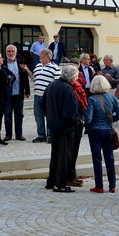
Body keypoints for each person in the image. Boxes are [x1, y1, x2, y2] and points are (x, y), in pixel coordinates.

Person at [43, 64, 84, 193]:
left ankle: (51, 181)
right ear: (72, 77)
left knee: (55, 154)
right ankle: (60, 184)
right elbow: (70, 113)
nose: (76, 79)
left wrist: (50, 116)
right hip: (65, 127)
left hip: (53, 125)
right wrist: (78, 121)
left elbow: (42, 104)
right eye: (76, 77)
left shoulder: (52, 85)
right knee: (64, 156)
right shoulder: (68, 89)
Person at [84, 74, 119, 193]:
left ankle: (99, 186)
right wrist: (111, 119)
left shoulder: (92, 99)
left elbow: (89, 119)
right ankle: (112, 185)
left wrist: (85, 123)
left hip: (95, 130)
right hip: (108, 130)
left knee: (97, 158)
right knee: (109, 158)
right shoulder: (112, 98)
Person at [31, 49, 60, 143]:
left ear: (47, 57)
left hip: (49, 97)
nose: (39, 57)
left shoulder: (55, 68)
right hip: (37, 95)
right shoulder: (38, 66)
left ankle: (50, 135)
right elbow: (34, 79)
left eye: (41, 56)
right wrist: (27, 70)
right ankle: (41, 135)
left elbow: (57, 83)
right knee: (38, 116)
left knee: (49, 116)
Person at [3, 45, 30, 141]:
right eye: (8, 51)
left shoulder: (21, 63)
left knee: (19, 115)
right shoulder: (2, 63)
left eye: (12, 51)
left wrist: (27, 91)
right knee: (7, 115)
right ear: (6, 52)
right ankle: (8, 135)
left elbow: (25, 78)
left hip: (19, 93)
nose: (10, 53)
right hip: (7, 95)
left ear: (16, 52)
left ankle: (19, 135)